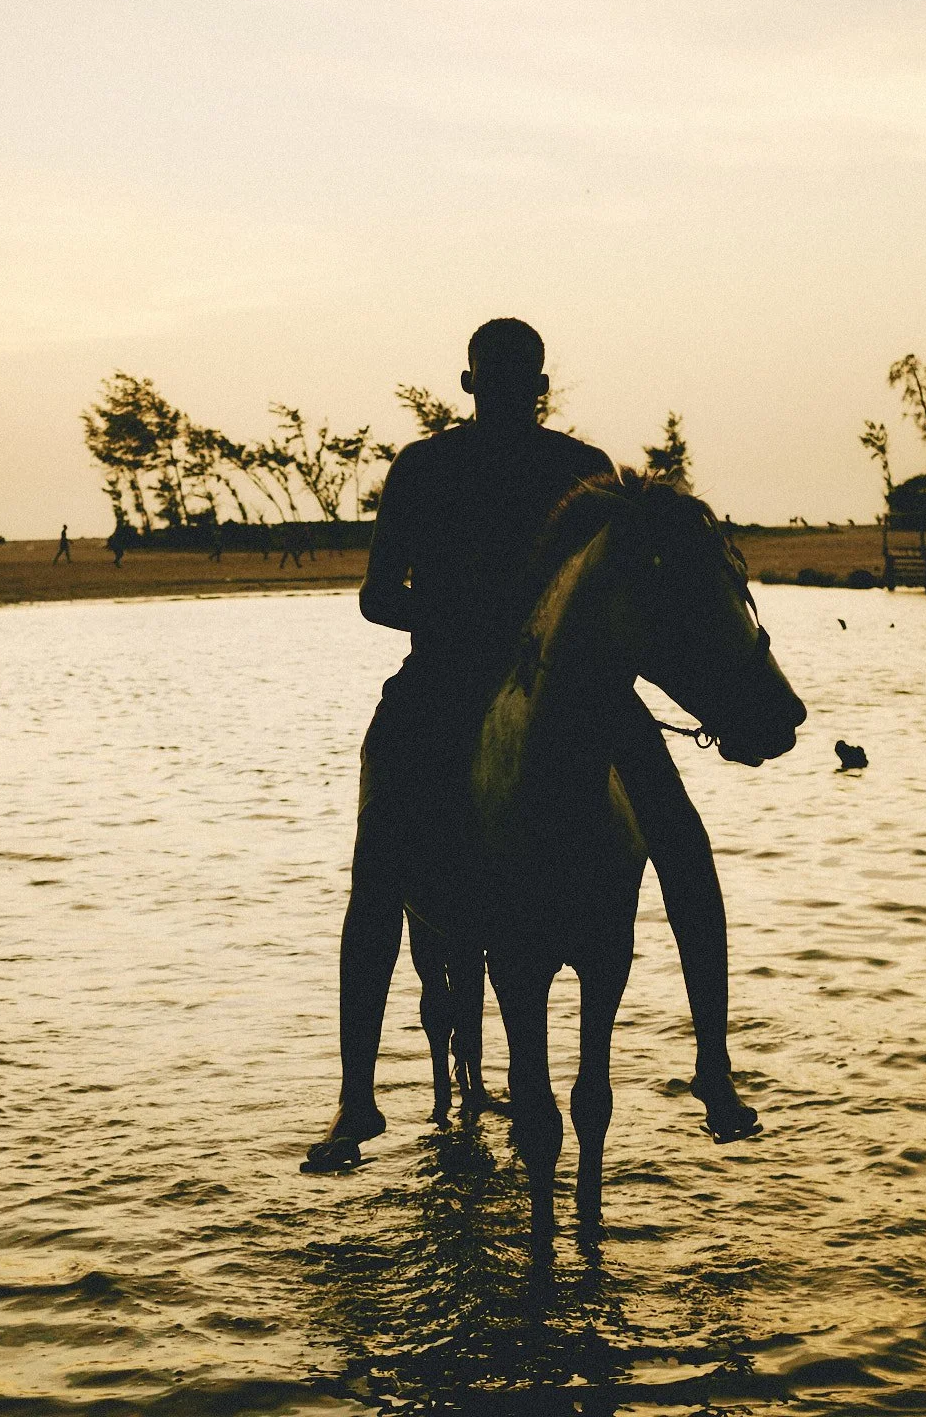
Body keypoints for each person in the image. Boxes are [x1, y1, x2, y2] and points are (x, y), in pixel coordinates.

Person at [306, 318, 756, 1172]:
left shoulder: (580, 471)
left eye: (527, 381)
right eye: (498, 380)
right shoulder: (424, 467)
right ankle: (356, 1096)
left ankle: (714, 1066)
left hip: (575, 689)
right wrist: (461, 620)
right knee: (378, 862)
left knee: (682, 842)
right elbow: (375, 596)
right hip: (444, 677)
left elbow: (618, 588)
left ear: (538, 386)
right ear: (471, 386)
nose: (514, 394)